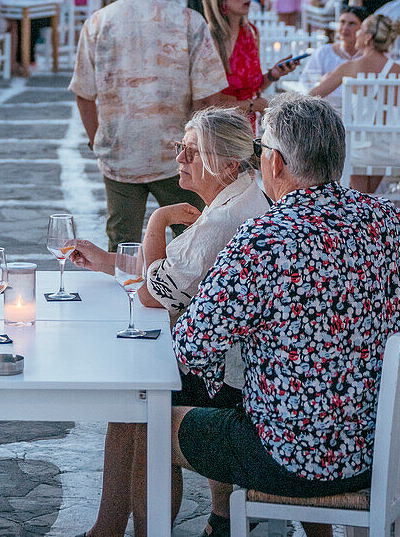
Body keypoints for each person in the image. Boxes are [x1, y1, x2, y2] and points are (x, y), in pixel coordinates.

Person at [171, 94, 400, 537]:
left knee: (153, 423)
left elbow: (192, 346)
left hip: (287, 458)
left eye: (260, 153)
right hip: (372, 453)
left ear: (275, 163)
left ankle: (203, 526)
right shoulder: (383, 219)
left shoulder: (263, 237)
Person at [69, 109, 269, 537]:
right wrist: (108, 262)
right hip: (246, 358)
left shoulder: (220, 220)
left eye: (191, 152)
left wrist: (157, 220)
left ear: (228, 164)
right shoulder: (245, 193)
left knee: (135, 401)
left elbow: (152, 293)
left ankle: (119, 530)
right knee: (140, 387)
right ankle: (219, 517)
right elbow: (176, 272)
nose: (179, 158)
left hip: (230, 372)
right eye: (180, 147)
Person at [70, 0, 228, 249]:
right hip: (179, 155)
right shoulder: (189, 22)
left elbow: (84, 93)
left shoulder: (99, 22)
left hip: (119, 150)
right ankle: (184, 299)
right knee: (191, 239)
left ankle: (127, 296)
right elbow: (209, 98)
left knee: (122, 242)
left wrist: (95, 138)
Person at [310, 12, 400, 191]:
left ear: (368, 37)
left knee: (352, 142)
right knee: (370, 145)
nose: (357, 33)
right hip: (395, 150)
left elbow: (313, 95)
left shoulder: (350, 68)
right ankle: (367, 203)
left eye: (360, 29)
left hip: (360, 150)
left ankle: (360, 203)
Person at [201, 0, 299, 121]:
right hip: (220, 130)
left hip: (248, 129)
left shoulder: (250, 32)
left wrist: (273, 74)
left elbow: (251, 87)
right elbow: (208, 104)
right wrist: (253, 105)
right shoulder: (211, 40)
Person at [299, 6, 363, 89]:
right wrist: (321, 80)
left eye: (352, 24)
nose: (345, 28)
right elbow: (305, 80)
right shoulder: (324, 52)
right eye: (342, 22)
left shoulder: (368, 56)